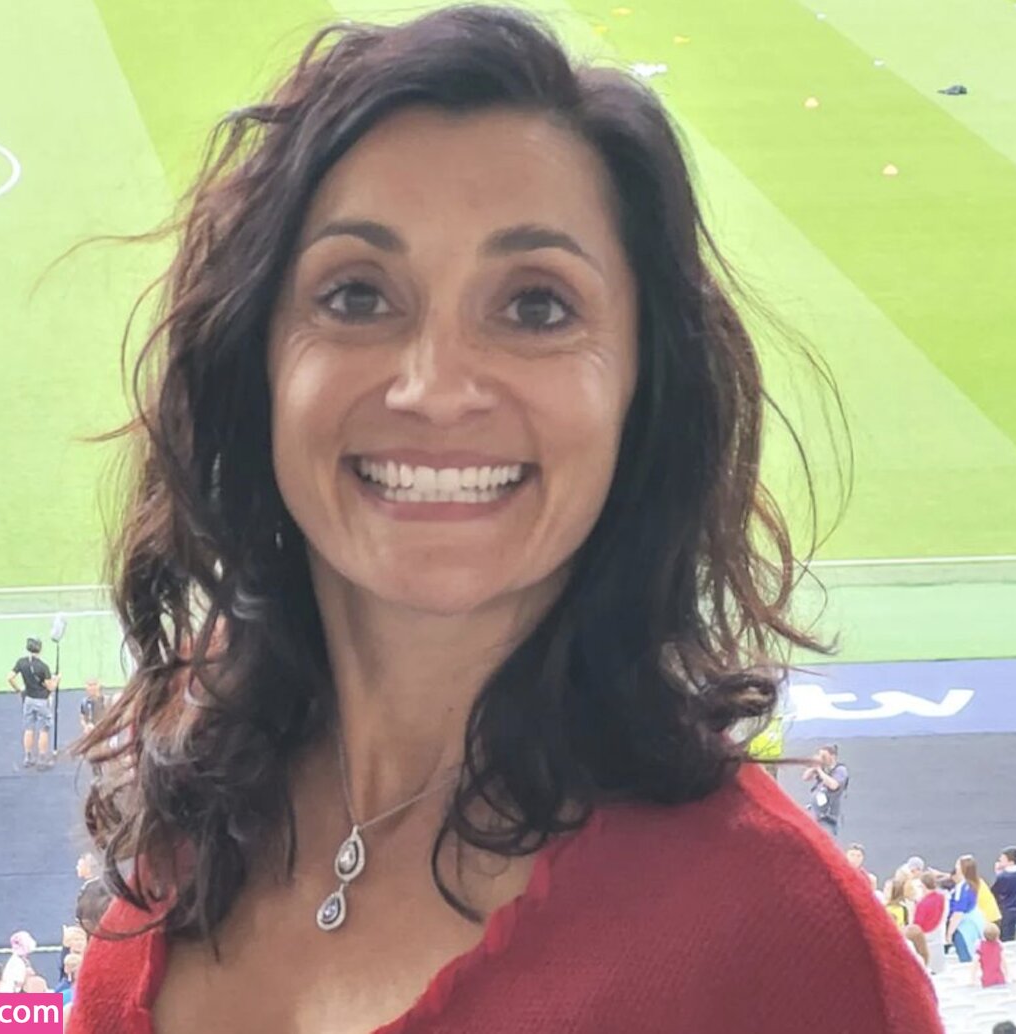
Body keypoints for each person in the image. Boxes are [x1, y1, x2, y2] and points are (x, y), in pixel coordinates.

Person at [68, 8, 939, 1034]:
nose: (435, 388)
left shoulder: (789, 955)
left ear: (642, 388)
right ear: (256, 362)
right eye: (357, 296)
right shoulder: (187, 839)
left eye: (535, 307)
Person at [7, 637, 59, 770]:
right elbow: (51, 687)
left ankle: (28, 757)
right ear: (40, 649)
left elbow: (10, 677)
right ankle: (42, 758)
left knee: (29, 729)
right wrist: (57, 679)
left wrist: (19, 690)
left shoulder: (21, 662)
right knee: (44, 729)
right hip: (42, 700)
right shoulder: (43, 667)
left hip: (28, 699)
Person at [948, 854, 988, 963]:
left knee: (966, 957)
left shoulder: (961, 888)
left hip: (964, 927)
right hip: (975, 922)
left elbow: (958, 913)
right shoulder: (973, 883)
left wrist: (949, 933)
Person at [803, 744, 849, 838]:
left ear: (833, 756)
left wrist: (819, 771)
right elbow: (805, 777)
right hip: (815, 815)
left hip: (828, 817)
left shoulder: (840, 770)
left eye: (824, 756)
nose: (821, 759)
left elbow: (833, 785)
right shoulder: (823, 769)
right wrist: (814, 767)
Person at [912, 872, 948, 974]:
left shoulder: (922, 904)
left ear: (923, 886)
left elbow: (917, 925)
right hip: (937, 933)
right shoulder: (941, 898)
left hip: (924, 936)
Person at [992, 846, 1016, 941]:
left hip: (1004, 909)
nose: (1000, 860)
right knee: (1011, 934)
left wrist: (998, 873)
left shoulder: (1003, 876)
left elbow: (995, 891)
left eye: (1003, 859)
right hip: (1015, 907)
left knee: (1004, 936)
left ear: (1010, 861)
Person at [972, 922, 1008, 987]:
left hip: (986, 979)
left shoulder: (980, 947)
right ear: (998, 936)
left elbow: (975, 963)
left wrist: (972, 978)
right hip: (999, 978)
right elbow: (1004, 963)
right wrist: (1008, 975)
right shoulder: (999, 946)